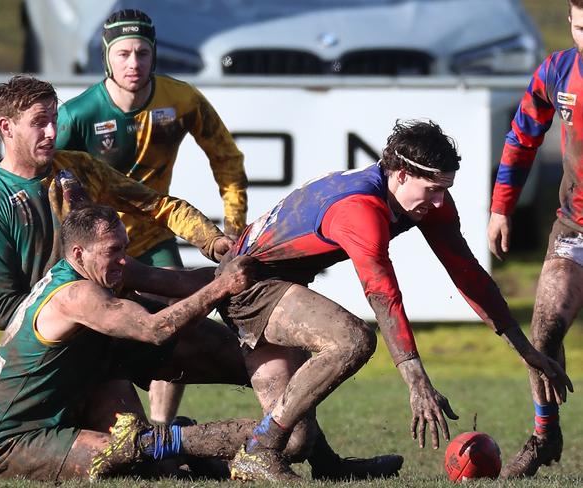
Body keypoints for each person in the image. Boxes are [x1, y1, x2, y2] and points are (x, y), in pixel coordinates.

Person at [218, 120, 573, 481]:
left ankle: (172, 443)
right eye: (432, 189)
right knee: (352, 339)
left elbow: (467, 273)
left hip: (276, 282)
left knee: (295, 441)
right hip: (247, 286)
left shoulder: (419, 199)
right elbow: (383, 296)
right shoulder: (360, 209)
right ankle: (256, 451)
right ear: (401, 175)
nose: (438, 201)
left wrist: (525, 349)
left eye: (444, 190)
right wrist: (417, 382)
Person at [0, 74, 229, 467]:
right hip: (61, 356)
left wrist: (213, 242)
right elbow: (7, 312)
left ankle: (311, 451)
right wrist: (78, 308)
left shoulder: (77, 169)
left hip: (116, 330)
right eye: (39, 122)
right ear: (6, 127)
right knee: (136, 460)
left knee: (233, 351)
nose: (52, 131)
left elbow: (155, 205)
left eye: (55, 119)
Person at [55, 8, 248, 425]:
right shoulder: (77, 114)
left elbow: (227, 158)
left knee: (175, 326)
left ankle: (161, 429)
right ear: (106, 56)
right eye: (123, 53)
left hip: (154, 236)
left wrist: (232, 225)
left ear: (154, 54)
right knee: (87, 329)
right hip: (92, 249)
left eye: (142, 53)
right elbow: (49, 181)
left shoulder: (181, 100)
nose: (133, 63)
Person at [0, 203, 260, 481]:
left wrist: (248, 265)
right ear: (79, 253)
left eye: (125, 246)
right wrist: (223, 285)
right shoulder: (74, 295)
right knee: (131, 453)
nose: (124, 258)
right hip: (16, 438)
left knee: (153, 463)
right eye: (114, 249)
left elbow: (182, 284)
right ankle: (205, 439)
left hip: (78, 396)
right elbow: (155, 329)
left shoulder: (105, 265)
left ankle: (185, 446)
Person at [487, 0, 583, 478]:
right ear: (570, 22)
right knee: (543, 331)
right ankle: (545, 436)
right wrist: (502, 206)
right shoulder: (558, 71)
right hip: (576, 229)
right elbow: (523, 135)